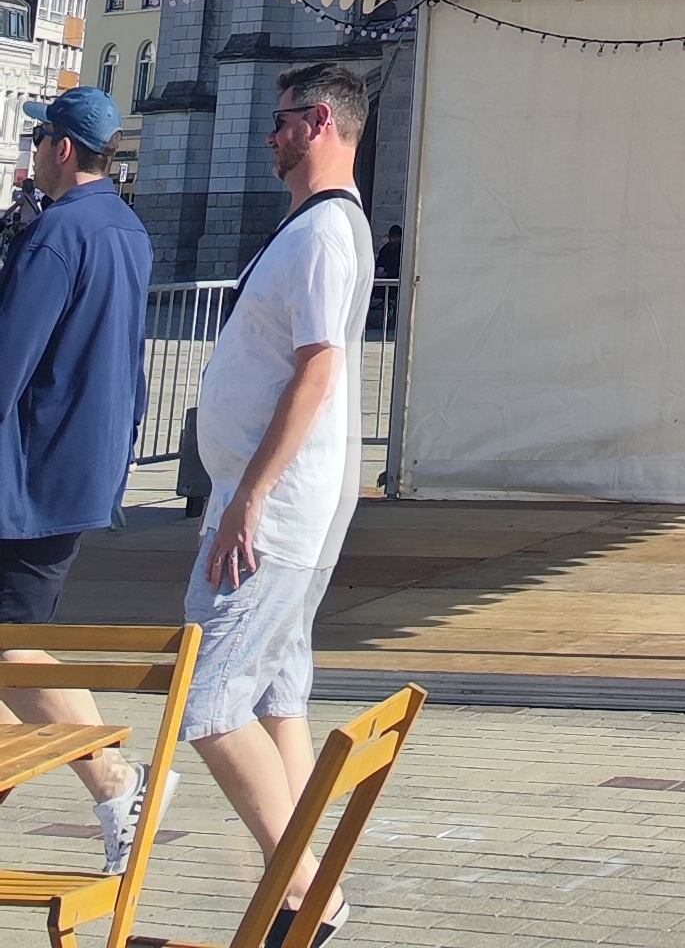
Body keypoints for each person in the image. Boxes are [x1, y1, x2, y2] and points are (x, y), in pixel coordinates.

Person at [182, 59, 374, 945]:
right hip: (274, 500)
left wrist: (250, 496)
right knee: (275, 692)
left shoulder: (327, 231)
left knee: (209, 699)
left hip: (277, 507)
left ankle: (307, 896)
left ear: (322, 123)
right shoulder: (314, 226)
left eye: (284, 118)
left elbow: (317, 370)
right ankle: (304, 892)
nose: (272, 135)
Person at [0, 84, 157, 877]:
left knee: (11, 647)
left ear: (62, 148)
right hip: (80, 467)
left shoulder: (57, 234)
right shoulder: (127, 228)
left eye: (38, 140)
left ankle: (116, 781)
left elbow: (8, 363)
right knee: (14, 643)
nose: (32, 152)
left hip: (29, 477)